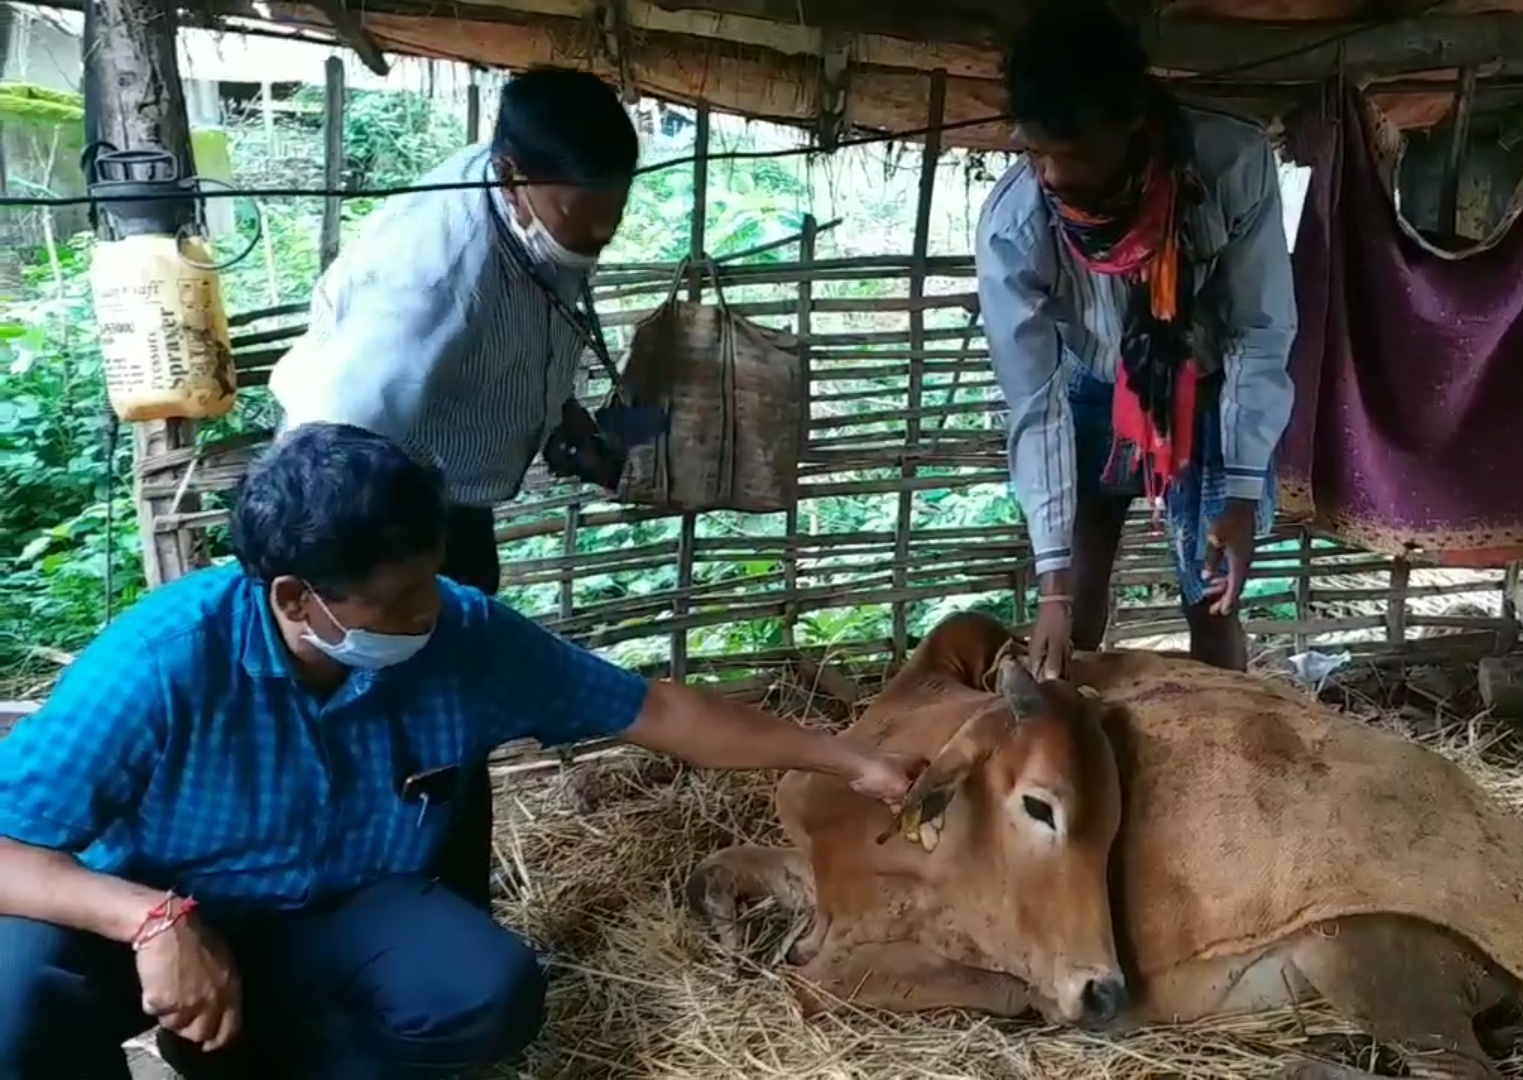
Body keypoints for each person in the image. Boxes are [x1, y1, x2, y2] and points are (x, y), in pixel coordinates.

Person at [0, 423, 921, 1080]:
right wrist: (153, 921)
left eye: (431, 584)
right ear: (294, 599)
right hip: (148, 925)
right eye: (396, 604)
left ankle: (257, 1061)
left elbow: (661, 712)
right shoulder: (161, 664)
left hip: (321, 921)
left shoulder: (466, 637)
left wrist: (852, 761)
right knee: (16, 995)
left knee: (485, 990)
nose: (427, 616)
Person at [268, 66, 642, 915]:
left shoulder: (542, 200)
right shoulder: (426, 284)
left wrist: (562, 410)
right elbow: (325, 444)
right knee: (409, 726)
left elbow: (537, 311)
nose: (592, 245)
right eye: (579, 227)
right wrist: (347, 592)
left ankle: (456, 914)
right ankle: (398, 914)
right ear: (513, 178)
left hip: (448, 508)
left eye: (608, 228)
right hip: (373, 530)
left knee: (452, 720)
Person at [976, 0, 1298, 677]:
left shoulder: (1229, 167)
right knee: (1078, 591)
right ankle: (1073, 748)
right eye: (1038, 153)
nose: (1056, 177)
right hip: (1091, 386)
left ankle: (1222, 754)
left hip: (1205, 392)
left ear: (1134, 125)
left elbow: (1258, 331)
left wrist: (1239, 494)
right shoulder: (1016, 224)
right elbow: (1034, 399)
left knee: (1210, 593)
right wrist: (1052, 586)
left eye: (1081, 153)